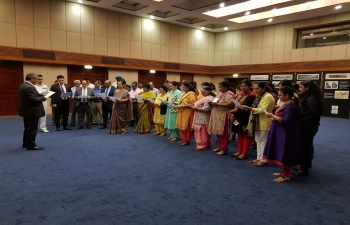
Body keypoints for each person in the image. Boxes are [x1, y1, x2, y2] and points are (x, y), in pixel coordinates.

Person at [263, 87, 301, 182]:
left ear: (287, 96)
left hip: (287, 133)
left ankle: (286, 175)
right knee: (282, 151)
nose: (278, 97)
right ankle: (284, 172)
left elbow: (286, 120)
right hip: (282, 132)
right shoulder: (286, 104)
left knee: (287, 152)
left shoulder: (290, 106)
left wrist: (272, 116)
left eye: (280, 95)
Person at [293, 80, 323, 177]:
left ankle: (304, 169)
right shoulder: (307, 97)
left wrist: (311, 124)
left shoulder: (310, 99)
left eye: (301, 87)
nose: (299, 89)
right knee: (305, 146)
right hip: (306, 125)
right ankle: (303, 165)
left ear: (307, 88)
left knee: (305, 147)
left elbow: (315, 113)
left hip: (307, 126)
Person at [241, 82, 275, 166]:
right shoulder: (259, 96)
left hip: (264, 121)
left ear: (263, 88)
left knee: (263, 141)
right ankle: (259, 157)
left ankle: (263, 160)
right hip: (256, 121)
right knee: (258, 140)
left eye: (257, 88)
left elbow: (262, 110)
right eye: (254, 88)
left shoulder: (267, 96)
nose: (255, 90)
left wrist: (249, 108)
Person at [19, 73, 47, 150]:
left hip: (27, 110)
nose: (37, 80)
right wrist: (43, 98)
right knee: (32, 129)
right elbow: (32, 99)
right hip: (32, 111)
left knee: (28, 128)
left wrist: (40, 95)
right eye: (36, 79)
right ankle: (31, 145)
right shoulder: (29, 87)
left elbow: (31, 96)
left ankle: (26, 143)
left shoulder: (24, 85)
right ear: (32, 79)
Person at [208, 80, 235, 155]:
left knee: (224, 132)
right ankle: (220, 146)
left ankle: (224, 149)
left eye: (221, 87)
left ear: (226, 87)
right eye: (219, 87)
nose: (219, 88)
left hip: (224, 115)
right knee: (219, 131)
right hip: (217, 114)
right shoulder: (220, 94)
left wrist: (218, 104)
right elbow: (215, 101)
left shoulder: (230, 94)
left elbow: (229, 104)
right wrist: (212, 103)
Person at [231, 80, 256, 160]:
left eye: (245, 86)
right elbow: (234, 104)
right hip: (237, 117)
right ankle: (239, 151)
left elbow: (245, 106)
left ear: (249, 86)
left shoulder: (252, 96)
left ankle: (244, 153)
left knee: (245, 135)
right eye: (241, 86)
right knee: (239, 134)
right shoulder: (239, 94)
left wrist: (235, 110)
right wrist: (233, 113)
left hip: (245, 117)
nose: (243, 88)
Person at [192, 86, 215, 150]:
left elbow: (206, 108)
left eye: (203, 92)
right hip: (203, 118)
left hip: (202, 117)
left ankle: (201, 145)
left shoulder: (208, 99)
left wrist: (196, 108)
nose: (201, 93)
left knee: (201, 132)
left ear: (207, 92)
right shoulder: (209, 98)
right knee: (205, 132)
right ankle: (207, 144)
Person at [176, 82, 197, 146]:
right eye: (182, 87)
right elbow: (180, 102)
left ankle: (187, 140)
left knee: (186, 127)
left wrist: (183, 106)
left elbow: (193, 104)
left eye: (184, 87)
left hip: (187, 113)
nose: (183, 88)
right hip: (181, 112)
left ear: (188, 87)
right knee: (182, 126)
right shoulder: (184, 93)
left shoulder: (191, 94)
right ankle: (184, 139)